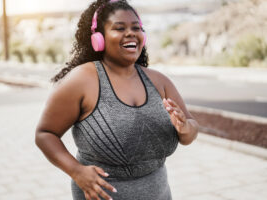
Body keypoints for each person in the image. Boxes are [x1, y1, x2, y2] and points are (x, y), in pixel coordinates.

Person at [35, 0, 199, 199]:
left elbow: (190, 131)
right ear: (99, 39)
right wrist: (77, 171)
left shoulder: (159, 81)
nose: (130, 33)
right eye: (119, 28)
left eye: (136, 28)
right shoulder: (81, 80)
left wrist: (185, 128)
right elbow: (45, 133)